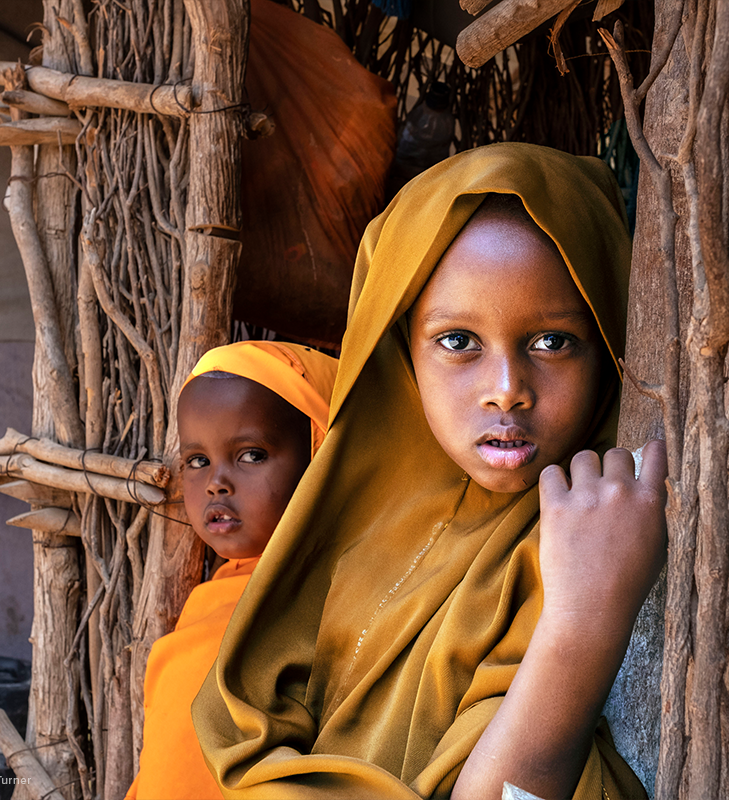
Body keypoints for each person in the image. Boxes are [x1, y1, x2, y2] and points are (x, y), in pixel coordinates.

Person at [192, 142, 668, 800]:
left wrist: (582, 625)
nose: (506, 390)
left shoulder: (594, 540)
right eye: (457, 341)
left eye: (552, 341)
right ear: (397, 350)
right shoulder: (338, 540)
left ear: (611, 340)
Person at [126, 340, 338, 800]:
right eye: (197, 461)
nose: (217, 482)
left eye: (251, 455)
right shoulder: (221, 595)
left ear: (324, 456)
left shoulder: (327, 604)